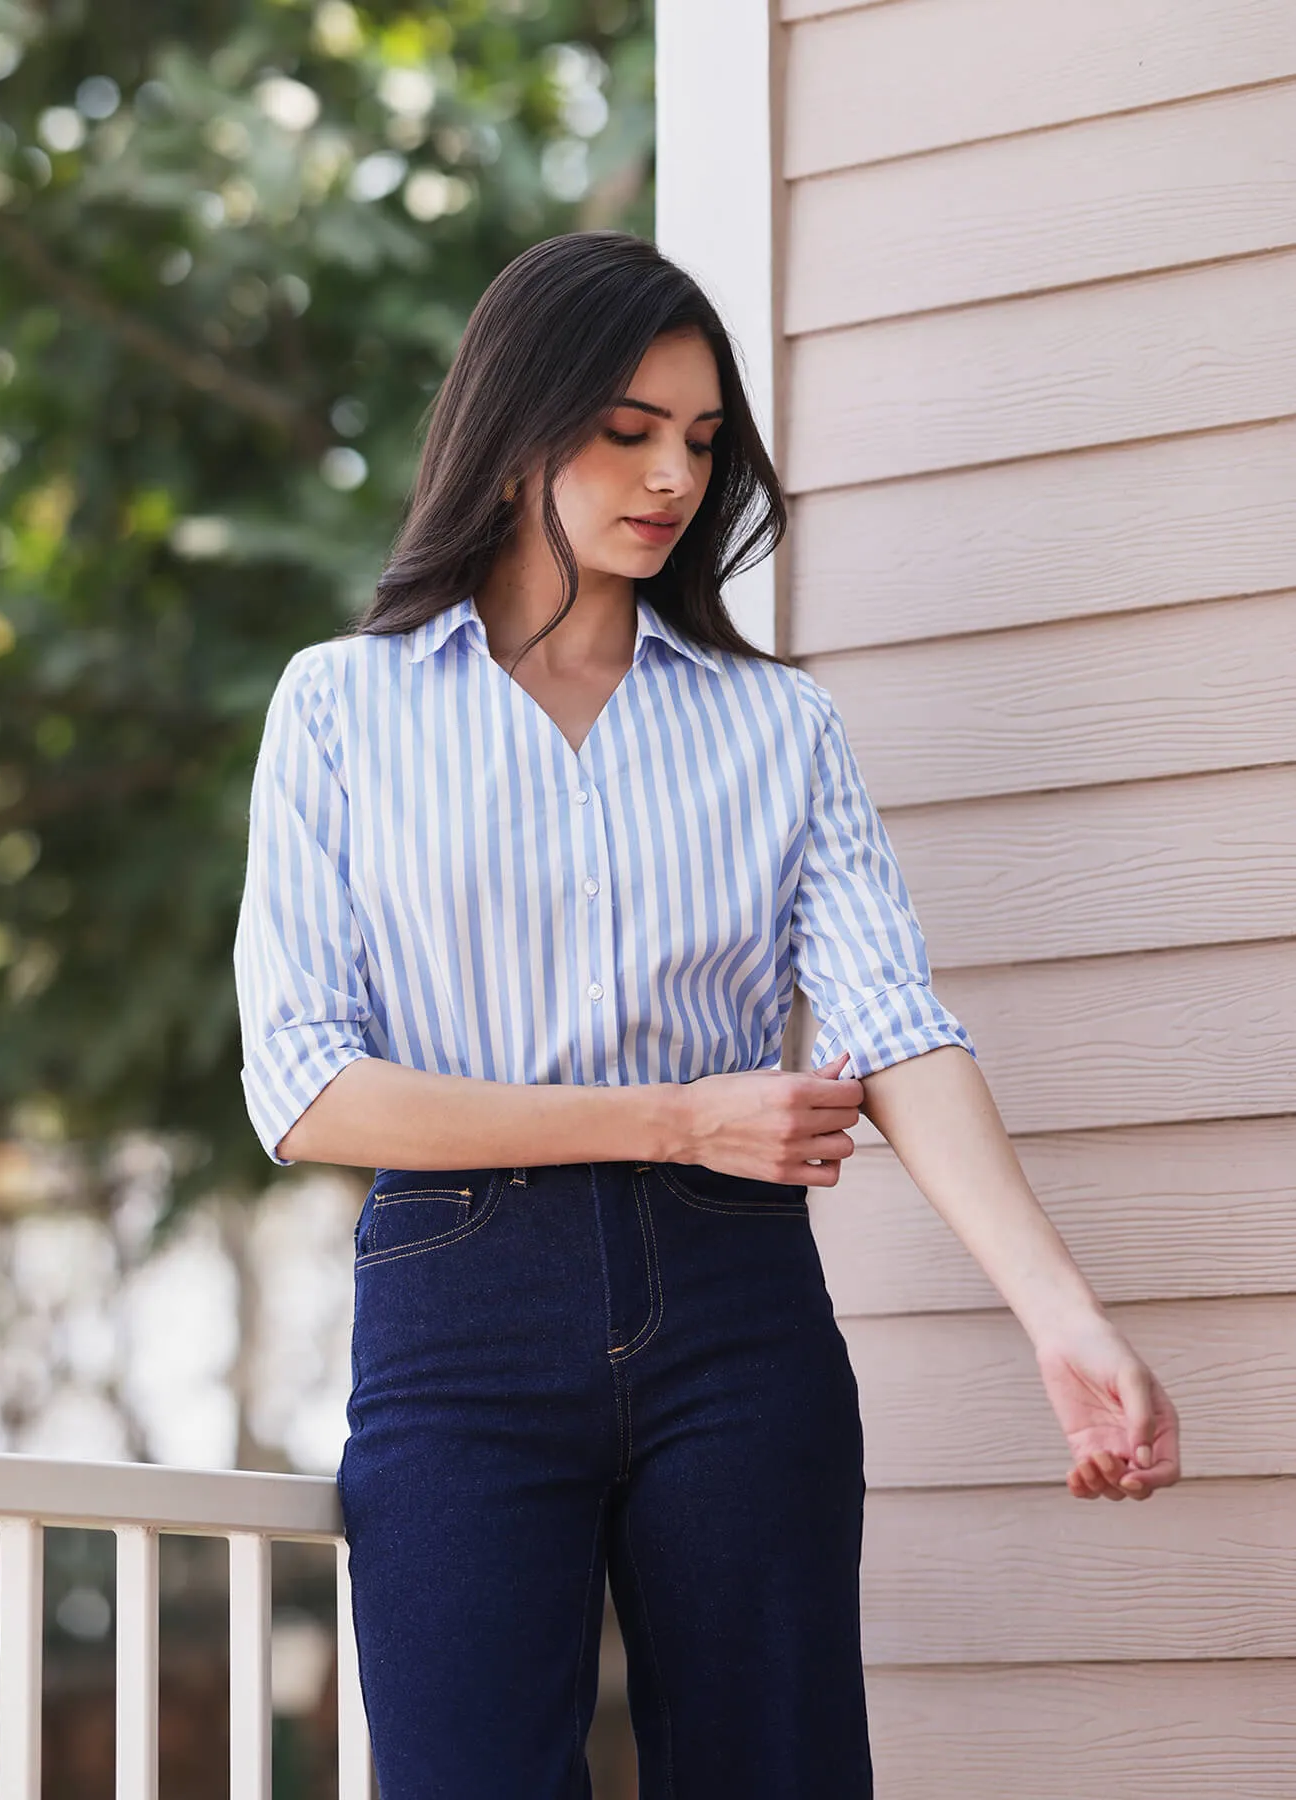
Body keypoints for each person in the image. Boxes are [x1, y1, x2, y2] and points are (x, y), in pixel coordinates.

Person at [233, 230, 1181, 1798]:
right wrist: (680, 1113)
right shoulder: (340, 708)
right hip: (462, 1308)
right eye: (625, 431)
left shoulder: (776, 725)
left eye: (698, 439)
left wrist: (1060, 1316)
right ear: (512, 425)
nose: (671, 476)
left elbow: (895, 1028)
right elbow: (308, 1088)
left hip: (734, 1311)